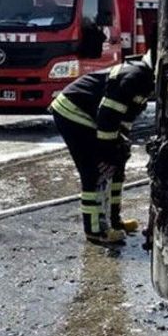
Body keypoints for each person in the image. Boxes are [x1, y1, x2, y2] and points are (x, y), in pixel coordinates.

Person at [48, 53, 154, 245]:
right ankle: (96, 230)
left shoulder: (145, 79)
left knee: (116, 166)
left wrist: (121, 146)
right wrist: (108, 152)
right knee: (95, 171)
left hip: (89, 115)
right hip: (73, 113)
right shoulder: (136, 76)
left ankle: (114, 221)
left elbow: (125, 117)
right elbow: (107, 116)